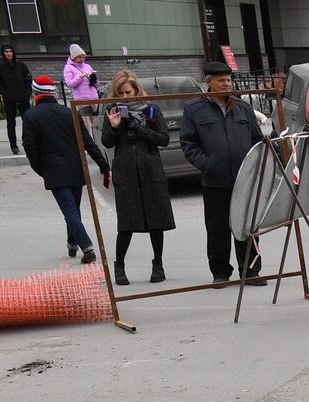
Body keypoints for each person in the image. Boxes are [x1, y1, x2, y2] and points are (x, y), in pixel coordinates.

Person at [179, 62, 267, 285]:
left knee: (247, 226)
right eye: (221, 80)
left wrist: (255, 167)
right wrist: (207, 164)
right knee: (217, 229)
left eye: (229, 80)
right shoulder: (194, 109)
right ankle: (220, 273)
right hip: (214, 181)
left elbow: (257, 140)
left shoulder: (243, 107)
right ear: (209, 83)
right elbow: (188, 143)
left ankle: (251, 271)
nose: (227, 83)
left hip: (244, 179)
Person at [22, 75, 109, 264]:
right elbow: (88, 143)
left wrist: (41, 169)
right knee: (73, 209)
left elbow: (30, 149)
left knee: (69, 210)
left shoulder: (31, 116)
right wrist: (104, 165)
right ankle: (72, 244)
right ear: (53, 93)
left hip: (53, 170)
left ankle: (87, 247)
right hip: (76, 168)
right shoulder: (70, 113)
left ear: (35, 94)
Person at [100, 70, 173, 286]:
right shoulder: (111, 111)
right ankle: (119, 266)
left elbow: (163, 139)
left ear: (136, 90)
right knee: (126, 224)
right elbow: (106, 142)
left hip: (150, 171)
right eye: (120, 93)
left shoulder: (151, 110)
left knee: (156, 222)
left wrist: (140, 129)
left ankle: (158, 264)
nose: (125, 97)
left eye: (128, 92)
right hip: (126, 172)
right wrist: (114, 127)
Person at [0, 44, 32, 154]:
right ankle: (13, 145)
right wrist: (6, 93)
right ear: (3, 53)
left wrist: (27, 93)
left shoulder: (21, 65)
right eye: (6, 52)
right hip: (9, 100)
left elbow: (28, 80)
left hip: (23, 98)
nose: (9, 54)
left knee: (28, 121)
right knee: (11, 123)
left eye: (10, 51)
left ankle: (28, 142)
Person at [64, 44, 98, 109]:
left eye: (83, 57)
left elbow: (96, 84)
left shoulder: (87, 66)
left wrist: (94, 79)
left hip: (93, 97)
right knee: (85, 117)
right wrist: (80, 77)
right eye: (80, 57)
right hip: (81, 99)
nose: (82, 59)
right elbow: (70, 84)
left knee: (95, 117)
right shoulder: (68, 68)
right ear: (74, 57)